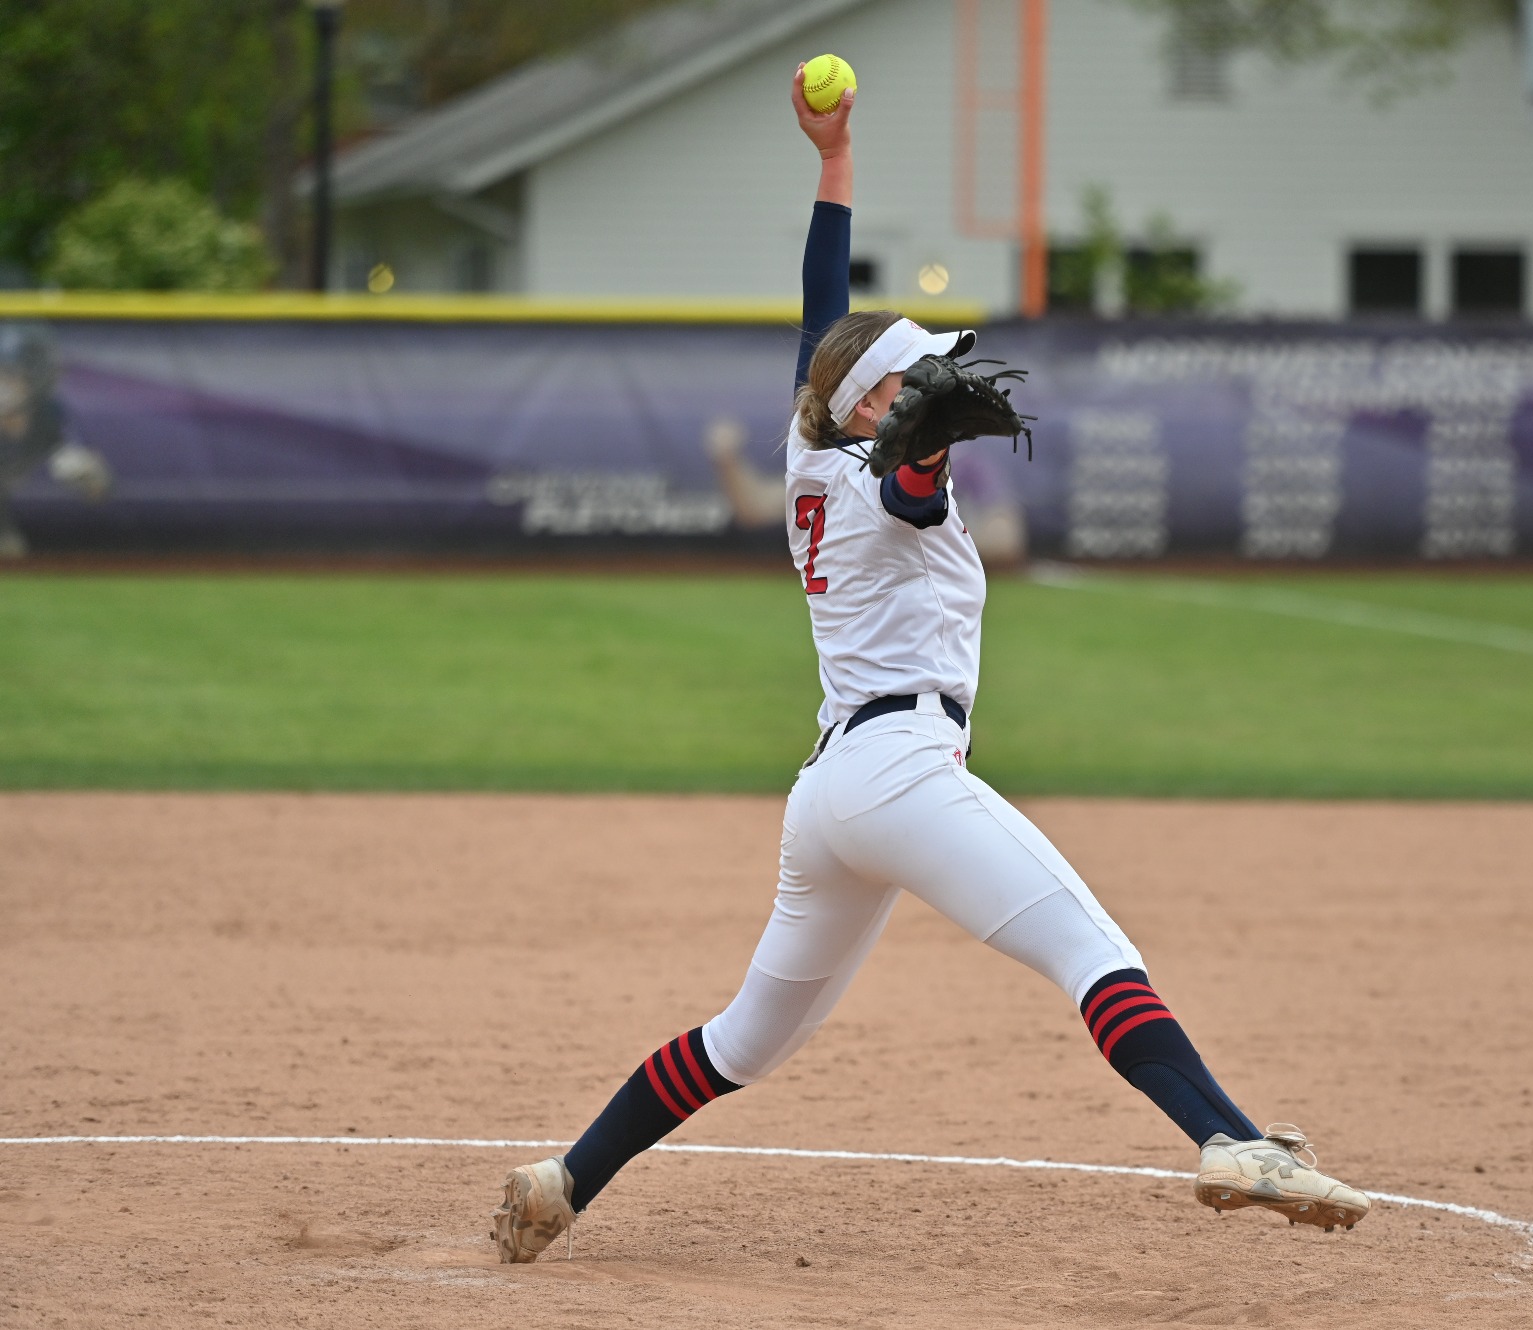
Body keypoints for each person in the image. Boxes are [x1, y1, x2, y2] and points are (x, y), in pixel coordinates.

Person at [489, 65, 1370, 1264]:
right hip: (900, 770)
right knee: (1090, 947)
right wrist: (916, 444)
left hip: (831, 797)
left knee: (745, 1040)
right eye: (914, 380)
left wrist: (833, 164)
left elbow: (819, 335)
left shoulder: (809, 455)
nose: (938, 385)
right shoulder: (889, 476)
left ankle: (561, 1178)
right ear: (874, 411)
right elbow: (905, 479)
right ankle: (1226, 1138)